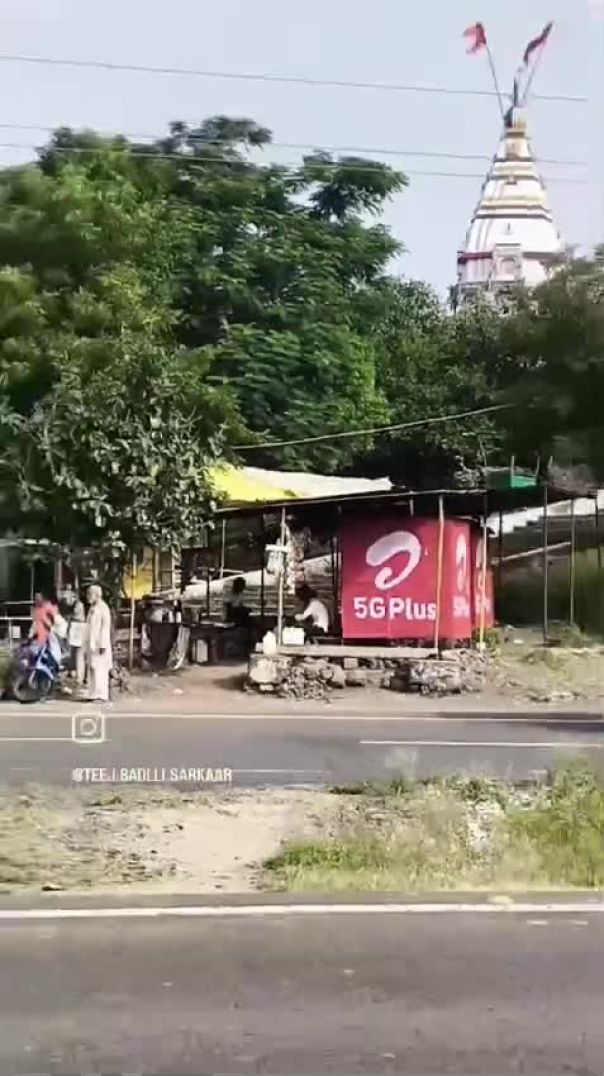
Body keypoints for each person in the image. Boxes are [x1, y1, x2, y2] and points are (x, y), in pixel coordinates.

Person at [85, 584, 113, 702]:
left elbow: (105, 628)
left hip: (100, 643)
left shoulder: (103, 608)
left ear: (96, 595)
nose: (88, 596)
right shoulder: (93, 608)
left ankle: (101, 695)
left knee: (100, 669)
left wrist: (103, 644)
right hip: (92, 643)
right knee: (93, 668)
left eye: (90, 594)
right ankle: (93, 693)